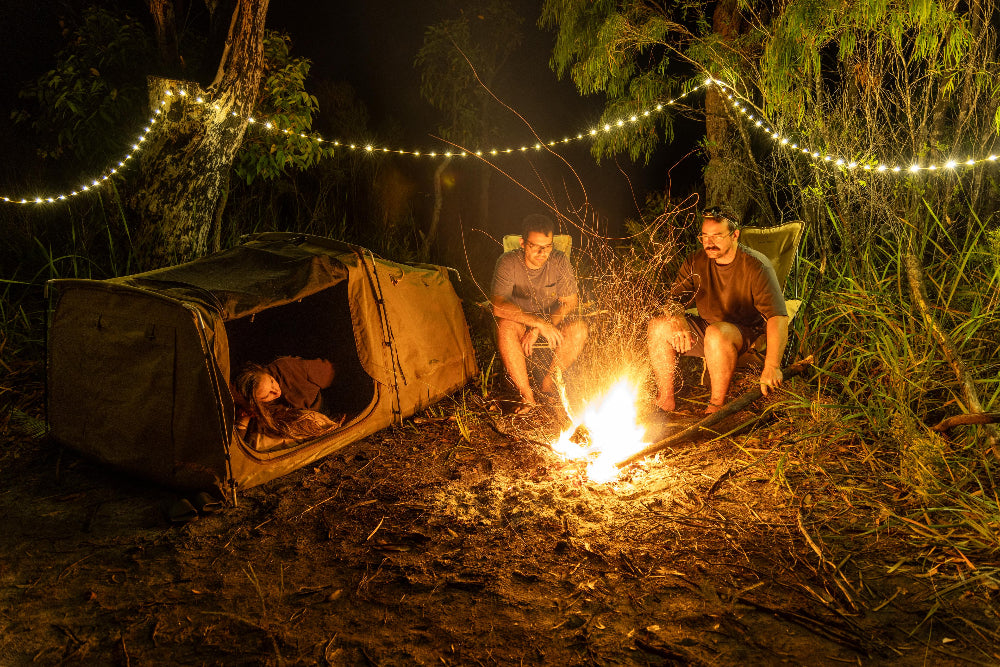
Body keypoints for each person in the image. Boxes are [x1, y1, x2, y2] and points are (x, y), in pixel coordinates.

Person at [647, 208, 788, 414]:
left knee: (715, 333)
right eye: (704, 236)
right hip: (709, 327)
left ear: (735, 235)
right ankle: (665, 400)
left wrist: (772, 365)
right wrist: (678, 318)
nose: (709, 242)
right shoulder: (695, 261)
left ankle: (716, 408)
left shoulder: (756, 266)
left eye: (717, 236)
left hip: (746, 332)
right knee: (658, 326)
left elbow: (777, 318)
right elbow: (674, 300)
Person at [491, 213, 588, 412]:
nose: (542, 252)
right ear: (522, 243)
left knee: (579, 329)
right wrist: (537, 323)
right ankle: (527, 395)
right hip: (520, 320)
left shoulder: (559, 261)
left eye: (547, 246)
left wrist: (542, 325)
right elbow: (498, 305)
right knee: (506, 326)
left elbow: (570, 302)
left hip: (551, 320)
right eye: (535, 246)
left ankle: (549, 384)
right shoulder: (508, 262)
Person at [233, 356, 344, 440]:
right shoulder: (255, 407)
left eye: (272, 382)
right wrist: (245, 416)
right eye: (267, 395)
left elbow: (336, 371)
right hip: (297, 426)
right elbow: (240, 443)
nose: (276, 392)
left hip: (321, 408)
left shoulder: (290, 368)